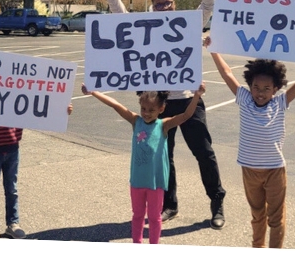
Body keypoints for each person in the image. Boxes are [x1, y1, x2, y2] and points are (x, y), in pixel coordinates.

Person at [99, 0, 226, 227]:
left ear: (174, 4)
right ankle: (169, 205)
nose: (163, 7)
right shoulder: (147, 27)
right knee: (163, 157)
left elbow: (209, 4)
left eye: (167, 3)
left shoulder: (188, 23)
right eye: (158, 4)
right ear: (152, 8)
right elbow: (119, 15)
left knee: (204, 153)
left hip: (189, 100)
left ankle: (217, 204)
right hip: (159, 104)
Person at [210, 48, 295, 248]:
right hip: (250, 170)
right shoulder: (244, 99)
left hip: (275, 170)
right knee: (257, 214)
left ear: (276, 88)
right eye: (256, 87)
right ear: (249, 86)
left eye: (266, 88)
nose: (260, 93)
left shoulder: (280, 102)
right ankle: (258, 247)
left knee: (276, 218)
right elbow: (227, 74)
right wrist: (214, 51)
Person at [82, 83, 206, 244]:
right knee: (137, 215)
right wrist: (94, 93)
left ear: (161, 109)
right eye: (144, 109)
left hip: (156, 183)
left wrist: (196, 96)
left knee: (154, 218)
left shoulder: (163, 125)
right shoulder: (136, 121)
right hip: (137, 182)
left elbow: (185, 116)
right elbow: (115, 105)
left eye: (151, 110)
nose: (146, 113)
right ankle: (137, 243)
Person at [0, 84, 72, 238]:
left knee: (12, 189)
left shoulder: (18, 89)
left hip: (12, 147)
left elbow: (38, 104)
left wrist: (62, 110)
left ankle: (13, 223)